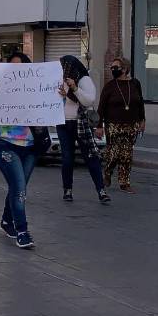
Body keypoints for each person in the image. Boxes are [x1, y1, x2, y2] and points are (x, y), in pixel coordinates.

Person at [0, 52, 39, 248]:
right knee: (19, 188)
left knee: (17, 187)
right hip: (6, 144)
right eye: (11, 66)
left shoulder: (35, 88)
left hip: (30, 147)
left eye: (19, 66)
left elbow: (51, 109)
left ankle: (7, 221)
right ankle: (22, 231)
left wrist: (60, 96)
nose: (15, 70)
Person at [56, 55, 111, 204]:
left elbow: (88, 100)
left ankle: (101, 190)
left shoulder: (83, 80)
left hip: (80, 122)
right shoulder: (58, 80)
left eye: (66, 66)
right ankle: (67, 189)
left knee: (90, 156)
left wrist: (73, 89)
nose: (64, 69)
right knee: (67, 158)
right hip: (63, 123)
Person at [97, 57, 146, 194]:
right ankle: (108, 172)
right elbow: (101, 107)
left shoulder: (135, 84)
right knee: (114, 153)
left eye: (116, 67)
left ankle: (124, 182)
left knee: (126, 154)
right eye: (112, 68)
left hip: (131, 124)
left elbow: (140, 102)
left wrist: (142, 120)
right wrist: (99, 125)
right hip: (113, 124)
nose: (113, 70)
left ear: (124, 69)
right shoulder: (110, 86)